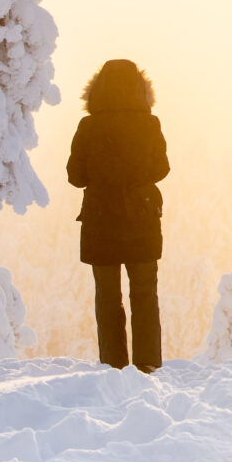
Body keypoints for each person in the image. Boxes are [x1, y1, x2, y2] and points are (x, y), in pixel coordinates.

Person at [66, 59, 169, 371]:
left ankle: (113, 365)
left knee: (107, 297)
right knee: (144, 294)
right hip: (142, 217)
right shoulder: (150, 125)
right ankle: (148, 363)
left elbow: (76, 176)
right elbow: (161, 168)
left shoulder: (88, 127)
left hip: (101, 220)